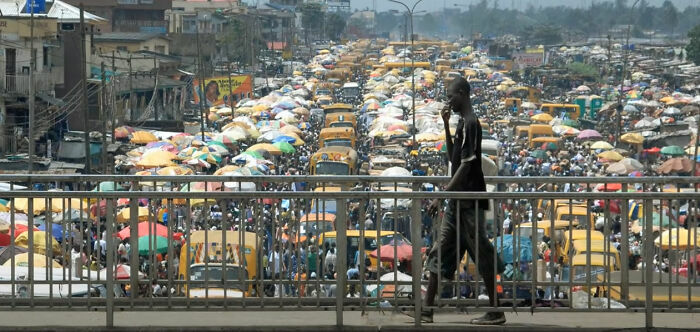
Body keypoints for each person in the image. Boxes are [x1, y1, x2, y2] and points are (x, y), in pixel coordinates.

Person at [418, 77, 506, 325]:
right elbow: (453, 158)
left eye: (451, 96)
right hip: (457, 203)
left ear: (463, 94)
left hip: (468, 201)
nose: (449, 101)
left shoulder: (471, 123)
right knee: (440, 250)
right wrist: (446, 126)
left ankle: (496, 310)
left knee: (482, 254)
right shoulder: (460, 125)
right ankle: (426, 309)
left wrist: (442, 195)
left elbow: (467, 167)